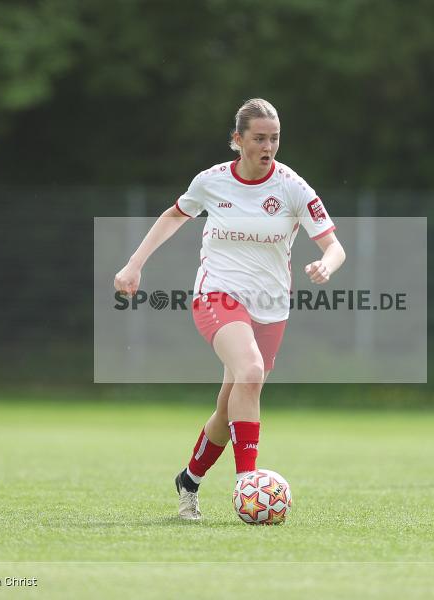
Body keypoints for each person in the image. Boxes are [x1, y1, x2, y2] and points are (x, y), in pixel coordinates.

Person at [113, 98, 346, 520]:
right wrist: (134, 264)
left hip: (271, 308)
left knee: (230, 406)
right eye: (258, 138)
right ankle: (248, 483)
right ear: (237, 140)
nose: (268, 146)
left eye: (274, 138)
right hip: (217, 295)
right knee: (251, 372)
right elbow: (173, 215)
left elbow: (334, 245)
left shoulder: (292, 186)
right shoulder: (212, 181)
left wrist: (325, 265)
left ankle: (189, 480)